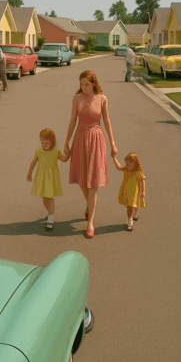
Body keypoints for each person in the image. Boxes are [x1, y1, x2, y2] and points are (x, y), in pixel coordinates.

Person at [63, 71, 118, 239]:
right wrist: (66, 142)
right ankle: (89, 205)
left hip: (96, 139)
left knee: (93, 182)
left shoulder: (102, 99)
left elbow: (107, 122)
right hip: (80, 138)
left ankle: (90, 222)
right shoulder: (77, 98)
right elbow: (73, 120)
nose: (83, 88)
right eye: (81, 84)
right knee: (81, 179)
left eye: (87, 84)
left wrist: (113, 143)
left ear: (94, 83)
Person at [27, 129, 71, 231]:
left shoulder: (56, 151)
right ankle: (50, 212)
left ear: (52, 141)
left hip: (51, 178)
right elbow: (33, 162)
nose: (44, 145)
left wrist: (69, 154)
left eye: (46, 143)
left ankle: (51, 217)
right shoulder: (39, 150)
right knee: (44, 197)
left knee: (49, 197)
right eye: (42, 142)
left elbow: (63, 159)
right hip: (41, 177)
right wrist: (29, 174)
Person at [112, 152, 145, 231]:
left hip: (136, 192)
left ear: (134, 164)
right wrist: (114, 158)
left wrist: (143, 191)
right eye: (126, 164)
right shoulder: (127, 170)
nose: (126, 166)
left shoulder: (138, 173)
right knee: (129, 206)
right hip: (127, 192)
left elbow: (142, 180)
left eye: (128, 164)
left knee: (136, 205)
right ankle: (130, 221)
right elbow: (118, 167)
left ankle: (136, 214)